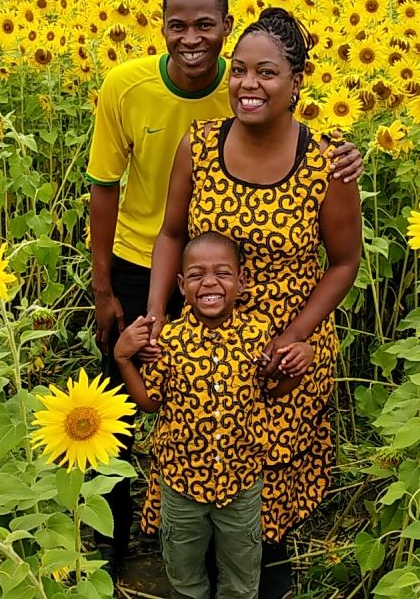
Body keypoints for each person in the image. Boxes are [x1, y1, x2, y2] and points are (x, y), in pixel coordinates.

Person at [85, 0, 363, 577]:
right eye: (240, 70)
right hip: (208, 322)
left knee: (270, 464)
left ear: (297, 81)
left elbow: (344, 261)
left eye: (267, 72)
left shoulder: (327, 162)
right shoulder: (201, 143)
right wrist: (157, 311)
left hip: (288, 337)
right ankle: (186, 568)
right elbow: (171, 233)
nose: (248, 83)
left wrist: (298, 335)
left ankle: (262, 575)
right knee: (195, 441)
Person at [113, 231, 311, 599]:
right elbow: (149, 403)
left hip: (242, 483)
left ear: (242, 282)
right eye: (196, 274)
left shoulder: (258, 335)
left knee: (241, 577)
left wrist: (297, 366)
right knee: (185, 575)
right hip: (181, 484)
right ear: (180, 284)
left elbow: (273, 391)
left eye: (223, 272)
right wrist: (123, 359)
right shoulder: (168, 340)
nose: (209, 282)